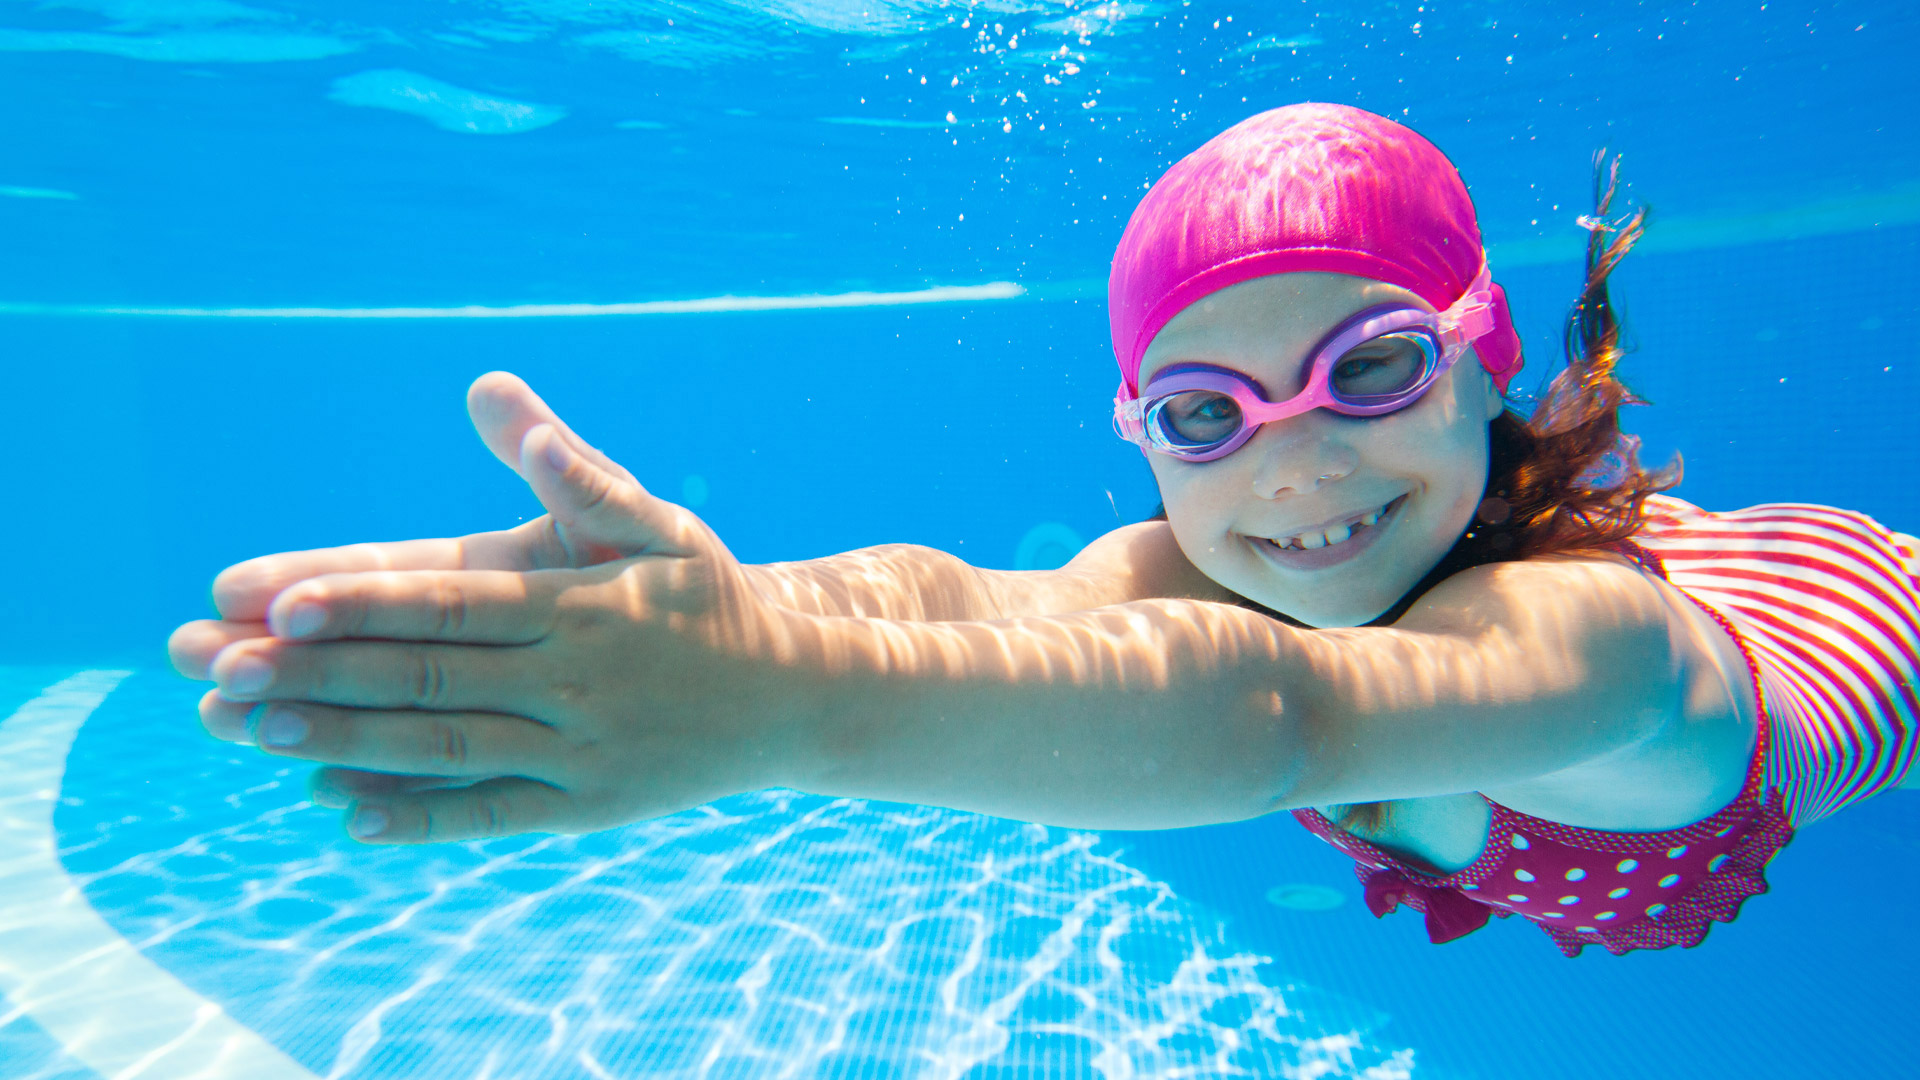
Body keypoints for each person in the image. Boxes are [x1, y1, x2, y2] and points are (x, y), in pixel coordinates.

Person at [169, 104, 1918, 957]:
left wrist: (779, 710)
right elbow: (968, 600)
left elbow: (1289, 716)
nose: (1292, 470)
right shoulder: (1209, 560)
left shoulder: (1593, 647)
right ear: (1144, 439)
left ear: (1482, 357)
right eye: (1205, 417)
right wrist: (709, 613)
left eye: (1369, 369)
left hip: (1834, 618)